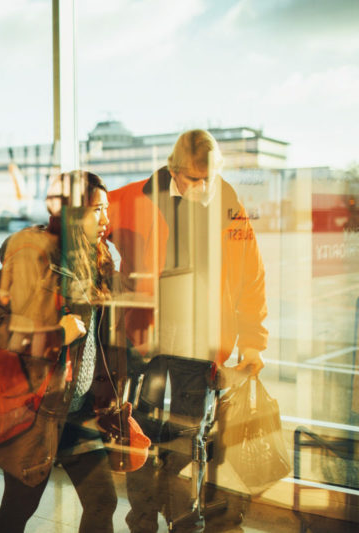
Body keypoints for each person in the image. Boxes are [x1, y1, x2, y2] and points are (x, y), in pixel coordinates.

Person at [106, 129, 268, 532]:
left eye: (209, 177)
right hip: (148, 341)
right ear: (175, 171)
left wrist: (253, 342)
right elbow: (86, 221)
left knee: (186, 437)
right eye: (195, 179)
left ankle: (178, 512)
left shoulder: (228, 203)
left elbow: (252, 276)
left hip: (199, 344)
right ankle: (143, 518)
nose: (203, 186)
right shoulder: (135, 197)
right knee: (141, 432)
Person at [0, 170, 123, 533]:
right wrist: (56, 334)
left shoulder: (98, 259)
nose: (106, 219)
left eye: (106, 209)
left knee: (103, 500)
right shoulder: (35, 257)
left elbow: (102, 336)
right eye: (96, 210)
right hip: (37, 411)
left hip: (78, 408)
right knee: (17, 510)